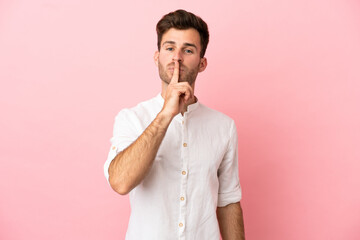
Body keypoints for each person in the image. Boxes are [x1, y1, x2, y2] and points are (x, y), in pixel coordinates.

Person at [104, 9, 245, 240]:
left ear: (202, 63)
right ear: (157, 56)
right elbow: (120, 182)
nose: (177, 57)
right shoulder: (131, 118)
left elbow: (228, 201)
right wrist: (166, 114)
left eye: (188, 50)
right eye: (169, 48)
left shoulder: (224, 127)